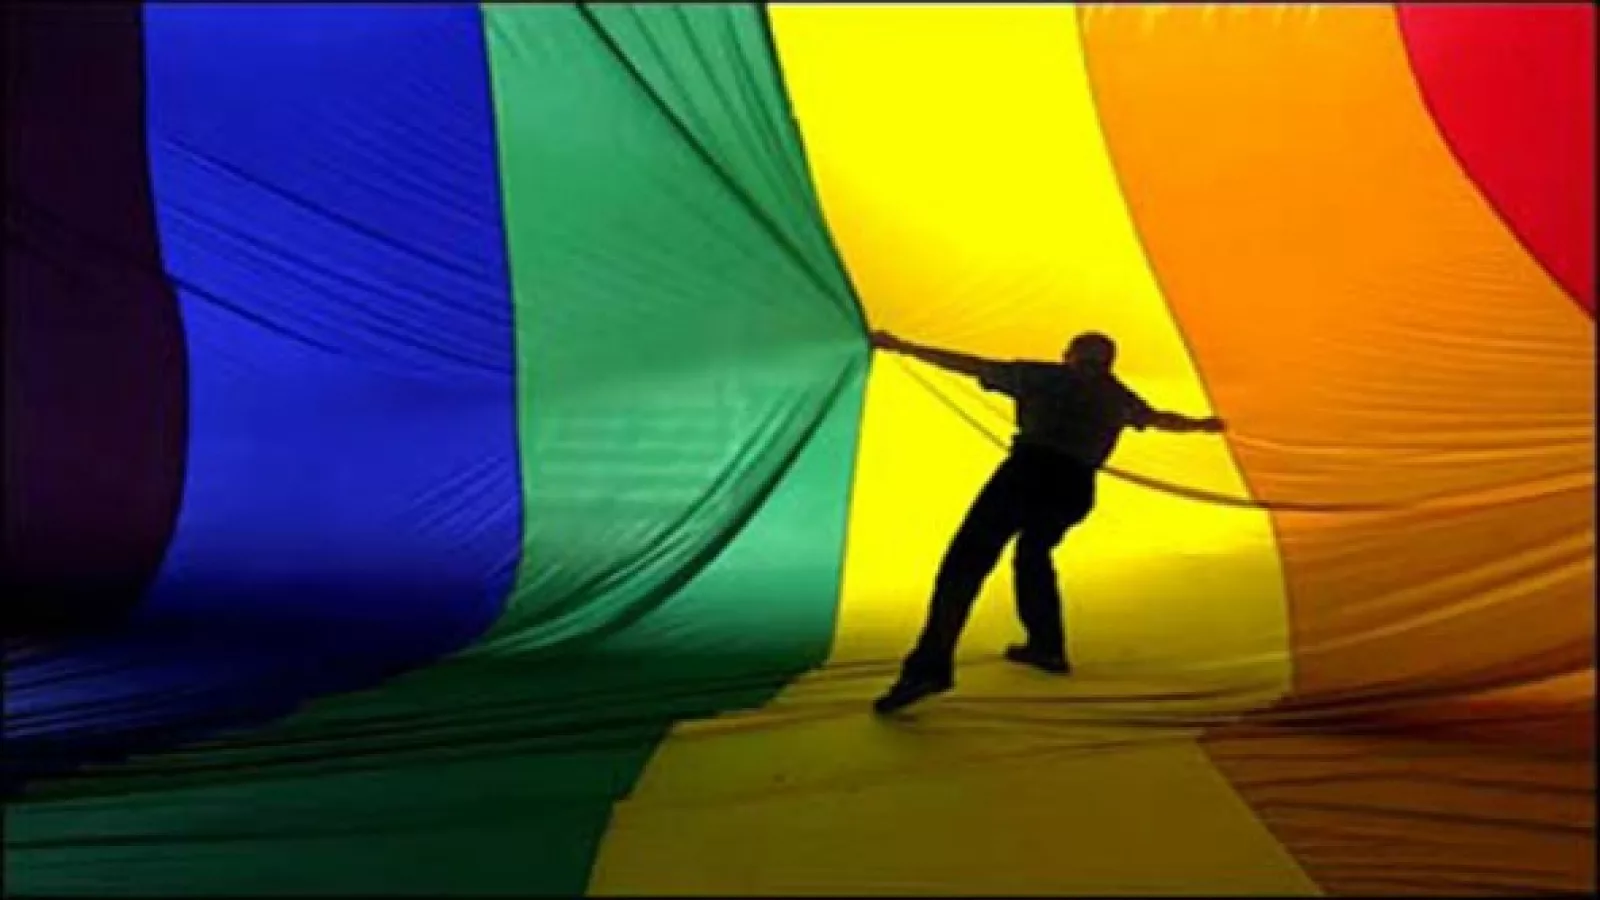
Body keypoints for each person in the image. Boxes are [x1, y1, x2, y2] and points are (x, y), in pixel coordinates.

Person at [869, 329, 1225, 714]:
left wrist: (906, 347)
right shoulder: (1116, 395)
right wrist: (1201, 425)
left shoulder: (1045, 377)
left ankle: (929, 667)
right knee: (1034, 555)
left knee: (966, 564)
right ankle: (1046, 646)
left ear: (1069, 355)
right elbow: (1159, 419)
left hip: (1027, 473)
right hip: (1074, 488)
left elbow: (971, 365)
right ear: (1108, 363)